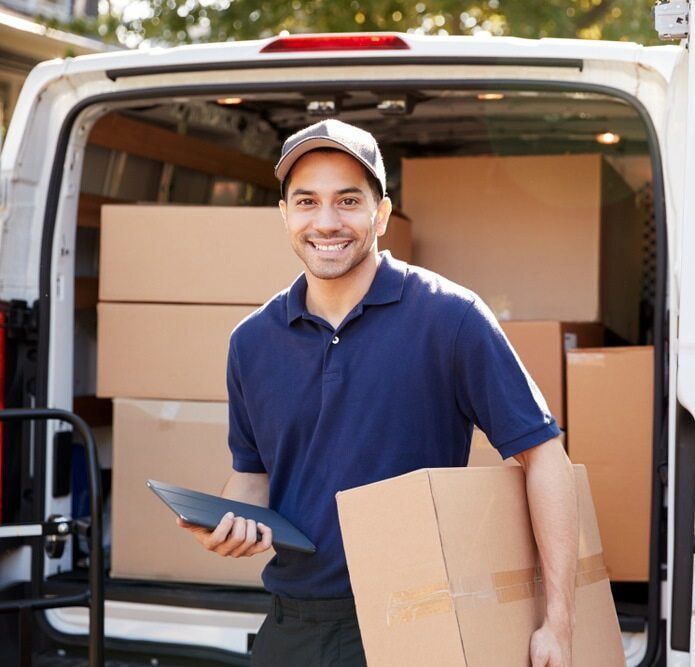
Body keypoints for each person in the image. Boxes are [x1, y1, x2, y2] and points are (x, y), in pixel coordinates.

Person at [177, 119, 579, 666]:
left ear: (382, 214)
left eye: (347, 201)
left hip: (417, 619)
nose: (326, 222)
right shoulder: (251, 342)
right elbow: (253, 474)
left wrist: (558, 622)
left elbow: (544, 455)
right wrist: (228, 524)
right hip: (294, 625)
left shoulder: (450, 318)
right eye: (306, 201)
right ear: (285, 215)